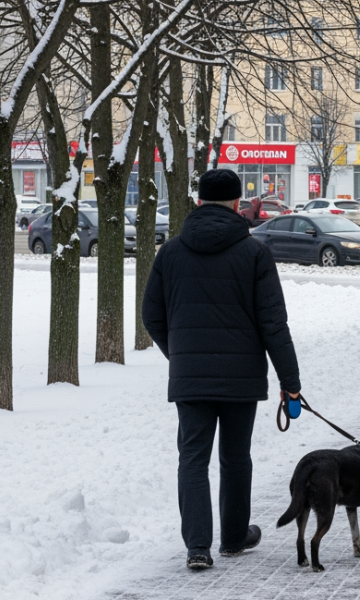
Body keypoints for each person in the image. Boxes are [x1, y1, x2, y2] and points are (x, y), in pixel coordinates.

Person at [142, 168, 303, 571]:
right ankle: (233, 537)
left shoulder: (171, 252)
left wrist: (179, 354)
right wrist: (291, 383)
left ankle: (198, 547)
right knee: (235, 457)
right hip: (241, 377)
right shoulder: (255, 253)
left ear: (198, 202)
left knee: (193, 459)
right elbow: (273, 324)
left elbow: (151, 316)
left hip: (190, 378)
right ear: (237, 204)